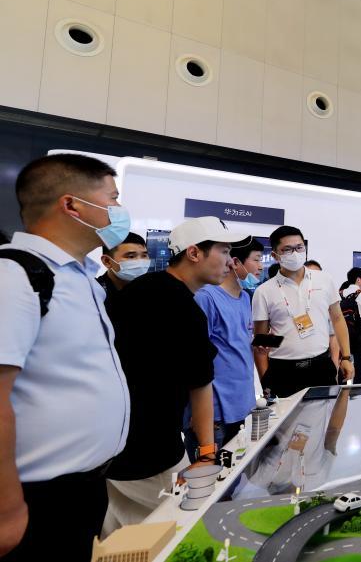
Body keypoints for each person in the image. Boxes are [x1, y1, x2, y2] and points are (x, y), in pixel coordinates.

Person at [0, 154, 131, 561]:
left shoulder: (78, 276)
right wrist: (7, 508)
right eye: (112, 197)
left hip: (83, 487)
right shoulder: (15, 276)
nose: (119, 209)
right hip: (35, 499)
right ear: (72, 205)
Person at [104, 216, 243, 533]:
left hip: (117, 444)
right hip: (149, 449)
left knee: (122, 536)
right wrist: (206, 454)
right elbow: (200, 385)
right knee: (175, 532)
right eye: (223, 251)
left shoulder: (144, 289)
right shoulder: (182, 307)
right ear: (194, 253)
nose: (230, 261)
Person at [185, 237, 264, 461]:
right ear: (235, 262)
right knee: (208, 477)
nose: (261, 266)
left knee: (235, 475)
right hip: (214, 414)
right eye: (257, 259)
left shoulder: (245, 298)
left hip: (242, 408)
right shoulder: (206, 298)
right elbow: (194, 359)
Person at [252, 226, 353, 397]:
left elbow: (337, 318)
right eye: (287, 249)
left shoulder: (324, 279)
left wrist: (346, 357)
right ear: (275, 256)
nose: (295, 253)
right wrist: (266, 381)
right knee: (286, 415)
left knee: (325, 413)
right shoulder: (264, 291)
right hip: (283, 370)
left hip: (321, 366)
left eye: (299, 247)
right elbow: (261, 343)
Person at [96, 231, 150, 306]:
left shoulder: (151, 289)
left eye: (144, 255)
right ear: (107, 261)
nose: (140, 262)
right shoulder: (94, 293)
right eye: (131, 256)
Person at [339, 268, 361, 384]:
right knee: (360, 370)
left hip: (343, 336)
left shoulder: (340, 293)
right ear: (358, 279)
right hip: (360, 336)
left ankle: (342, 392)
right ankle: (358, 393)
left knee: (343, 368)